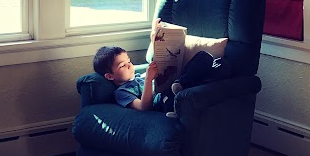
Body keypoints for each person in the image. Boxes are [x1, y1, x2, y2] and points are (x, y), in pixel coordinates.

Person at [92, 43, 232, 118]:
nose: (130, 65)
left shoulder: (139, 76)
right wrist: (148, 79)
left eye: (128, 61)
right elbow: (143, 107)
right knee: (166, 95)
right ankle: (178, 100)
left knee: (209, 58)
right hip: (163, 98)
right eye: (122, 65)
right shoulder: (122, 92)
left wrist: (156, 37)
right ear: (110, 76)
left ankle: (182, 85)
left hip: (175, 84)